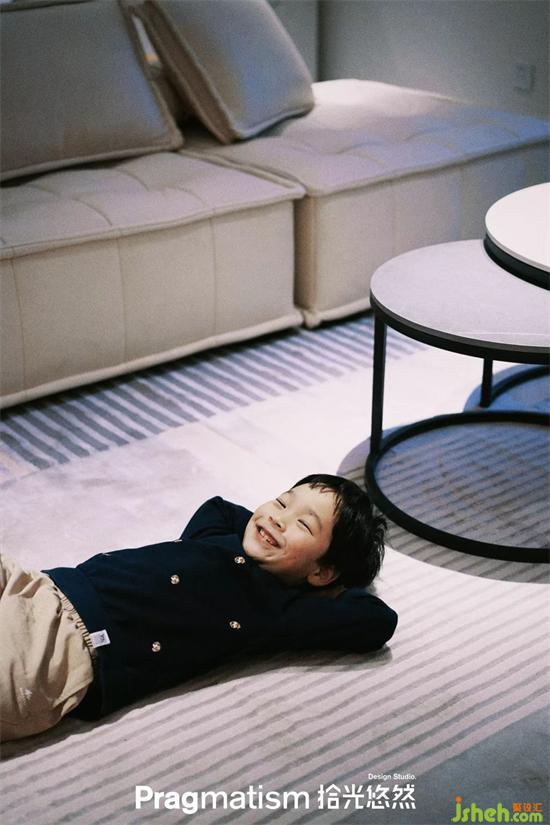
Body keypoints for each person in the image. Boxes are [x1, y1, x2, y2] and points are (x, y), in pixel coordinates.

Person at [0, 474, 397, 742]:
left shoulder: (279, 608)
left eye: (303, 525)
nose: (278, 519)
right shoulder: (216, 537)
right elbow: (220, 507)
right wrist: (201, 552)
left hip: (70, 645)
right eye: (281, 502)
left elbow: (376, 621)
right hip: (41, 585)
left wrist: (325, 584)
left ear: (322, 572)